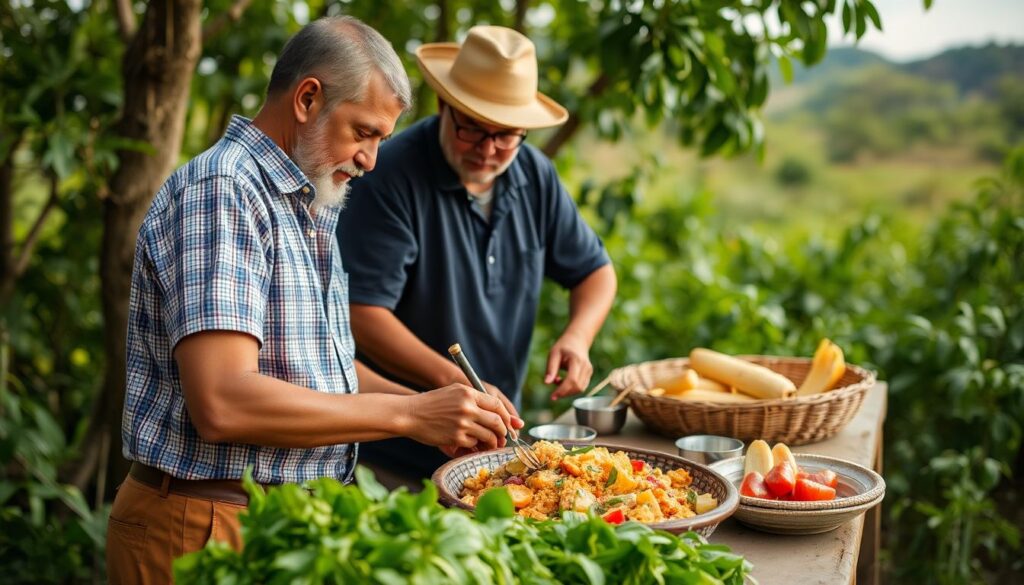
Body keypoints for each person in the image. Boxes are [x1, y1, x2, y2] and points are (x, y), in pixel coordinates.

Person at [106, 17, 520, 584]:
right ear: (307, 99)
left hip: (278, 519)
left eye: (381, 140)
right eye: (364, 132)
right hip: (201, 522)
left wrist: (441, 409)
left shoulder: (308, 203)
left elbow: (322, 370)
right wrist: (410, 415)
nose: (371, 160)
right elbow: (223, 401)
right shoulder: (223, 191)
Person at [338, 25, 617, 485]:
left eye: (505, 135)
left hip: (495, 451)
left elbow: (596, 272)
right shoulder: (391, 175)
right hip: (394, 452)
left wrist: (578, 336)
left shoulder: (534, 175)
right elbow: (362, 313)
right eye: (472, 130)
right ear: (445, 106)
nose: (488, 150)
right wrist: (453, 380)